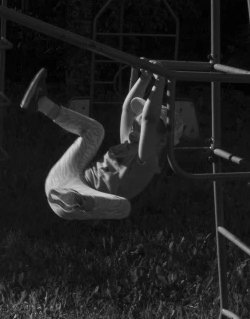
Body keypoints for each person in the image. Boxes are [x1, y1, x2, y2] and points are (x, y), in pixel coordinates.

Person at [20, 64, 184, 220]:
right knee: (97, 130)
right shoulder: (128, 142)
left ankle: (75, 200)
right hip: (63, 179)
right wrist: (145, 78)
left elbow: (149, 118)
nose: (135, 122)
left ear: (162, 140)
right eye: (137, 118)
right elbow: (127, 109)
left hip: (80, 198)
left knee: (123, 206)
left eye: (140, 122)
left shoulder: (148, 159)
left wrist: (160, 82)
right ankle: (41, 102)